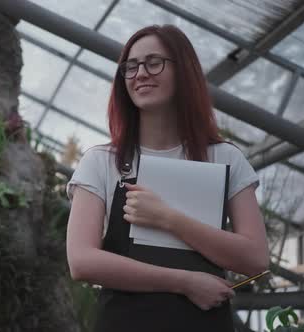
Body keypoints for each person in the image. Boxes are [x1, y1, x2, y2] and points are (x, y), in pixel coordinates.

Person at [65, 25, 269, 331]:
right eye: (131, 67)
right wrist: (184, 282)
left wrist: (167, 218)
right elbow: (82, 262)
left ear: (184, 71)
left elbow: (255, 258)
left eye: (154, 62)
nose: (140, 73)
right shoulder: (102, 161)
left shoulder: (225, 157)